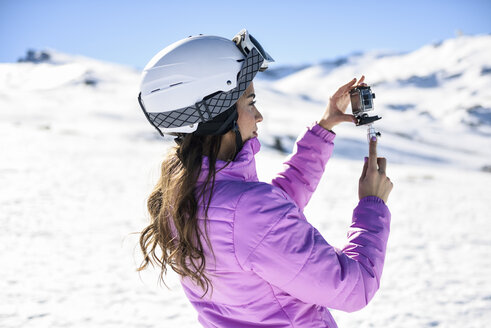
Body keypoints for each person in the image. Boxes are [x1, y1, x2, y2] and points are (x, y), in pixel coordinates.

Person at [136, 29, 393, 328]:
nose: (258, 116)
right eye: (249, 102)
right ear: (219, 114)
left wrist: (324, 128)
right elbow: (354, 287)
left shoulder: (181, 194)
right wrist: (371, 205)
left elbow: (270, 213)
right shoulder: (248, 211)